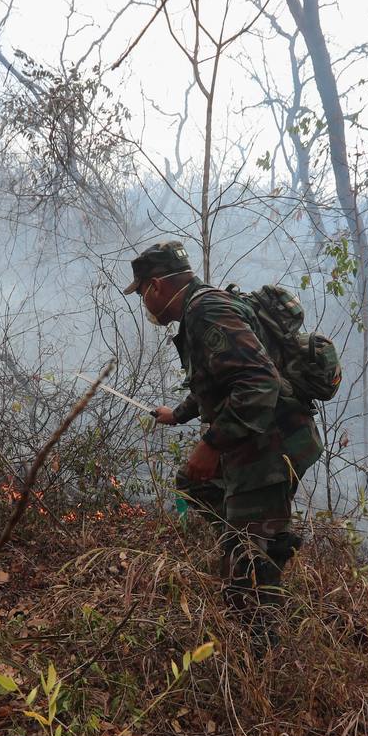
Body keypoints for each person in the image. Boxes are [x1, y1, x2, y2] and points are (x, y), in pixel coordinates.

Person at [124, 241, 323, 648]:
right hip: (263, 442)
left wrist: (211, 444)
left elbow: (258, 381)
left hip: (269, 446)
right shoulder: (204, 308)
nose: (144, 302)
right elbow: (222, 379)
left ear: (157, 286)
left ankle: (261, 653)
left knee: (243, 568)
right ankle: (272, 539)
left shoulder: (206, 312)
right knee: (194, 484)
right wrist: (178, 414)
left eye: (142, 292)